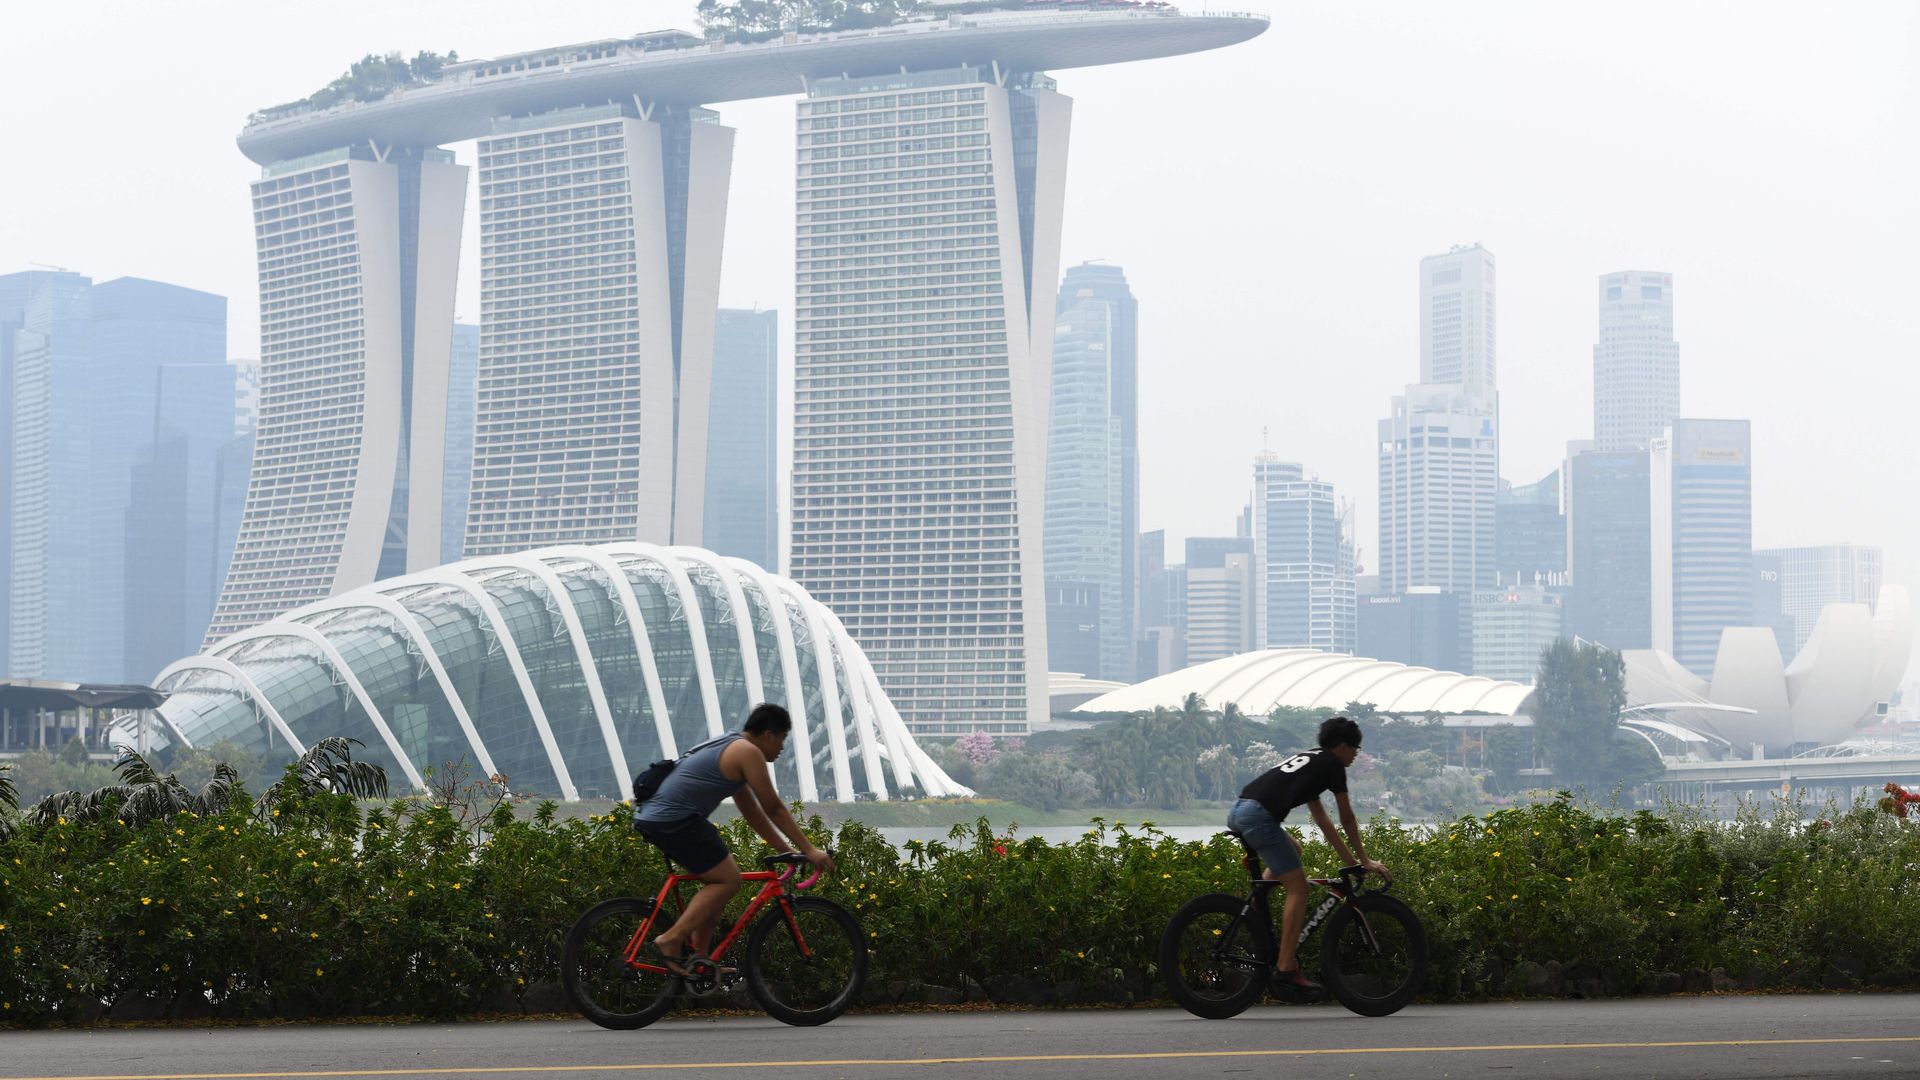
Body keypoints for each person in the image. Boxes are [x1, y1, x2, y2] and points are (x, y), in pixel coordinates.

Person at [634, 703, 835, 975]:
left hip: (664, 817)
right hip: (675, 819)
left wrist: (785, 850)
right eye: (783, 739)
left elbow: (751, 810)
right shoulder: (747, 752)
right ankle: (671, 938)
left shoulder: (732, 744)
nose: (782, 747)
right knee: (728, 879)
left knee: (721, 882)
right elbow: (773, 807)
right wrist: (810, 850)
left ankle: (701, 961)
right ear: (768, 735)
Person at [1228, 716, 1389, 999]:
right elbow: (1347, 817)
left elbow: (1323, 819)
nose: (1355, 754)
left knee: (1295, 852)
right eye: (1355, 748)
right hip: (1259, 816)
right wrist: (1364, 860)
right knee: (1299, 888)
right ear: (1341, 746)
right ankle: (1286, 967)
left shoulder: (1314, 759)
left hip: (1242, 810)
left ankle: (1258, 904)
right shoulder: (1334, 766)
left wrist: (1351, 860)